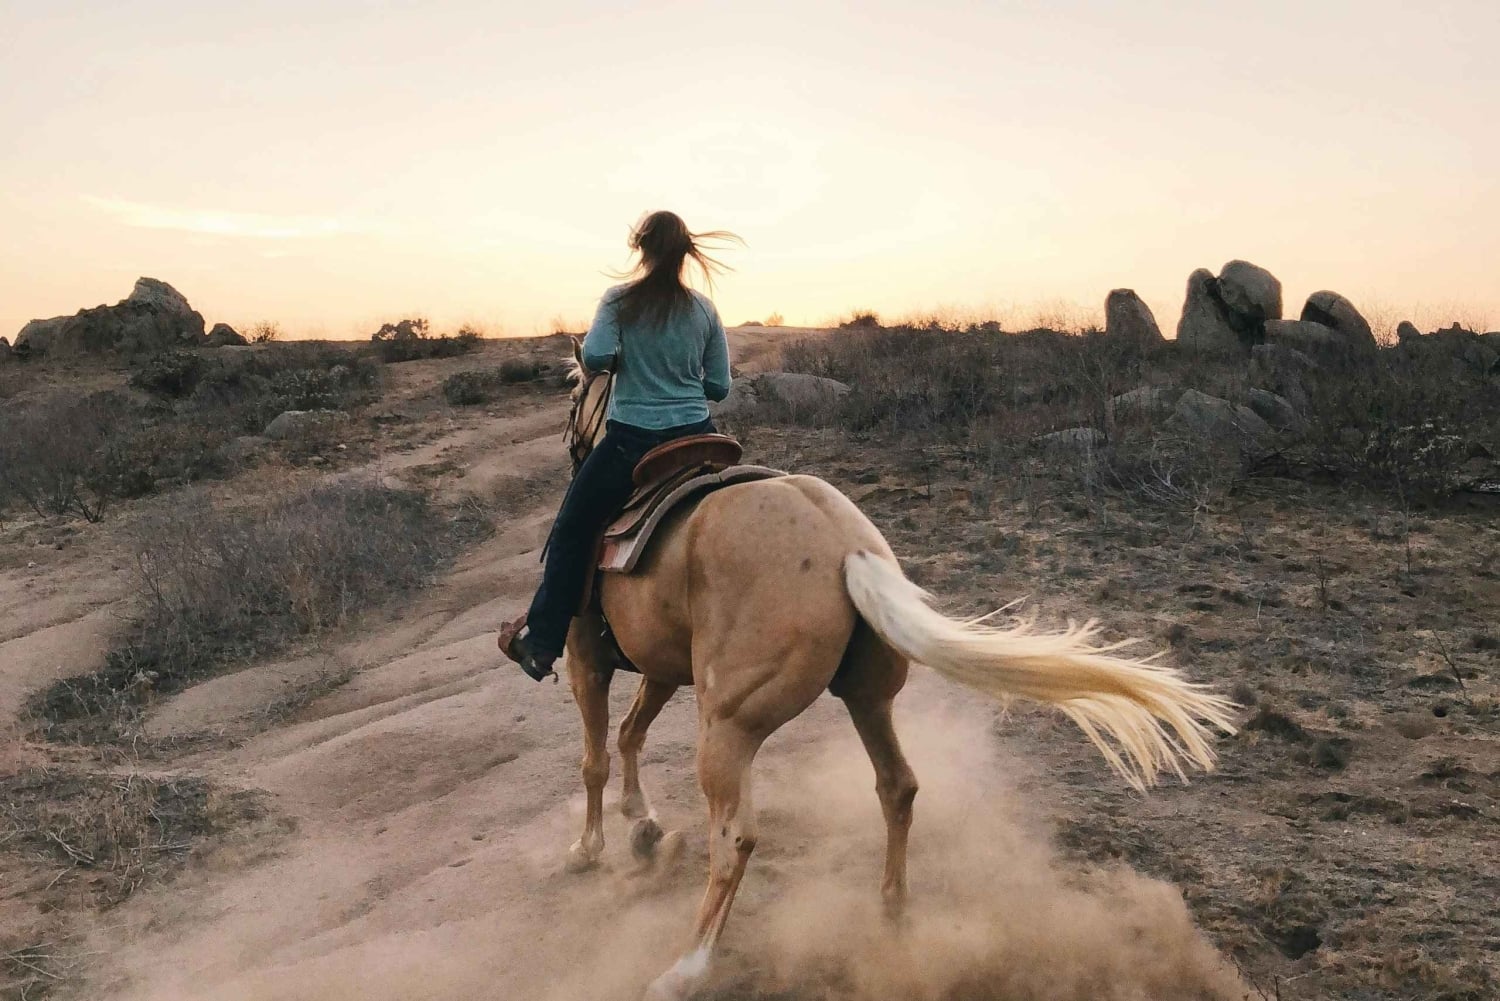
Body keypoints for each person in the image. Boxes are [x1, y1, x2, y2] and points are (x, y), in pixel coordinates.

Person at [503, 211, 736, 681]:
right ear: (685, 253)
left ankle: (543, 643)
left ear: (641, 249)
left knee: (571, 528)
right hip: (701, 438)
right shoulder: (704, 309)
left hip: (635, 442)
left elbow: (594, 357)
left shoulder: (618, 300)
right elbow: (720, 387)